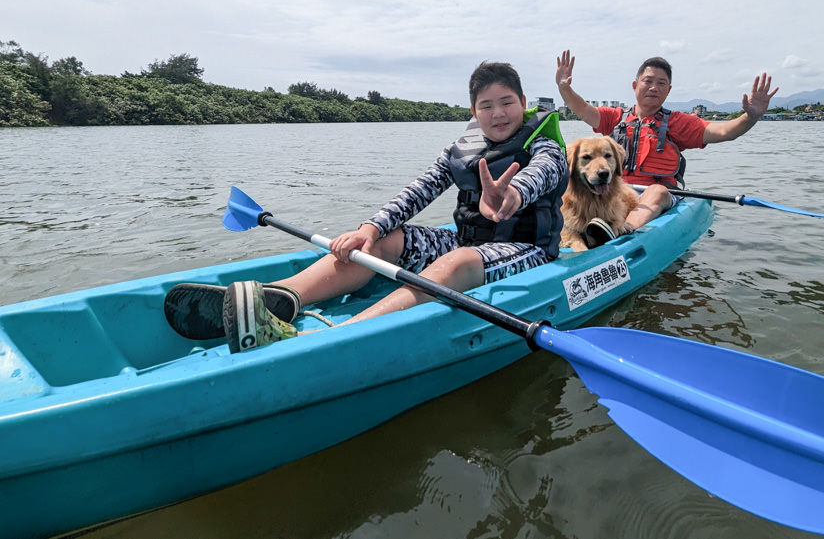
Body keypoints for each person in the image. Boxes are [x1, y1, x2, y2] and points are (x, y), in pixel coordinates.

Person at [165, 61, 569, 353]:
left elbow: (541, 176)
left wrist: (508, 197)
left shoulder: (546, 145)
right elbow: (419, 191)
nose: (498, 113)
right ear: (472, 111)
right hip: (467, 241)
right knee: (383, 240)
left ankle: (332, 337)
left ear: (523, 102)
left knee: (458, 261)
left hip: (527, 249)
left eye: (507, 102)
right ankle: (282, 298)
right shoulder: (461, 148)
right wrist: (370, 228)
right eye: (486, 105)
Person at [555, 50, 777, 247]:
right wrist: (564, 88)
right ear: (635, 85)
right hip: (617, 190)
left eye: (661, 83)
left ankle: (620, 230)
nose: (653, 87)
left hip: (658, 195)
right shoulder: (614, 117)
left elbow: (724, 132)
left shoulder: (677, 122)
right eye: (648, 81)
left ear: (668, 90)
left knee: (658, 191)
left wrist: (751, 117)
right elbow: (582, 109)